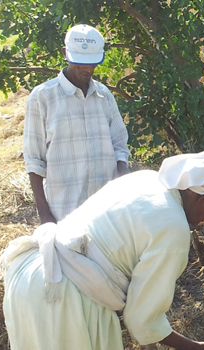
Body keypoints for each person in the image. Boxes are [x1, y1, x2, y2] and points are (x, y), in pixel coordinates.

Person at [0, 151, 204, 350]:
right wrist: (197, 347)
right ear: (202, 197)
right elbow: (141, 318)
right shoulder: (173, 229)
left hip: (30, 275)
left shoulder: (147, 180)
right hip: (63, 299)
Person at [23, 24, 130, 224]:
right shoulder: (43, 97)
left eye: (92, 63)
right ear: (65, 54)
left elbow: (119, 143)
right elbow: (34, 161)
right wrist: (44, 215)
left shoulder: (104, 95)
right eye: (80, 63)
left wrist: (123, 174)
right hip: (64, 212)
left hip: (106, 210)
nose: (87, 69)